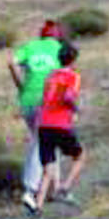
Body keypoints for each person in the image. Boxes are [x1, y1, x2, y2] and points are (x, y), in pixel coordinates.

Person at [9, 21, 66, 208]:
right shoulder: (60, 49)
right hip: (48, 101)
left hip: (27, 101)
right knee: (42, 140)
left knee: (49, 140)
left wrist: (21, 86)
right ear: (58, 36)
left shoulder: (30, 46)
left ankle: (53, 188)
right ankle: (30, 189)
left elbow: (11, 62)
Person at [29, 42, 88, 213]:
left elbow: (44, 99)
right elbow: (68, 97)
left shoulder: (50, 76)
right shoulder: (73, 77)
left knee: (48, 169)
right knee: (80, 156)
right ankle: (65, 188)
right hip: (60, 124)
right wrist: (77, 108)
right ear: (73, 60)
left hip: (44, 124)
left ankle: (38, 207)